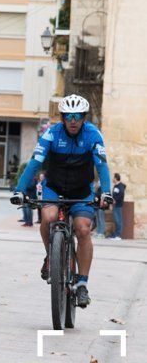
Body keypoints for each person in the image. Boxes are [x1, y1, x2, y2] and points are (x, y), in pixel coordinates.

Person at [11, 95, 112, 308]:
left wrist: (106, 191)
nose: (73, 120)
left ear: (84, 118)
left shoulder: (93, 134)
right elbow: (34, 163)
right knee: (48, 217)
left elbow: (102, 165)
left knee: (83, 229)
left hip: (82, 190)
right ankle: (51, 256)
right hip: (53, 188)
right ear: (63, 118)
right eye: (68, 116)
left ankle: (82, 283)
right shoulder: (51, 134)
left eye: (77, 116)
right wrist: (19, 190)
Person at [110, 173, 127, 239]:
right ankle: (115, 234)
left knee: (118, 220)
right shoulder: (115, 186)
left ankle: (118, 235)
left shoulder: (120, 186)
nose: (112, 179)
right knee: (116, 220)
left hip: (118, 205)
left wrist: (115, 200)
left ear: (116, 178)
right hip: (115, 205)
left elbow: (121, 194)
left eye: (113, 177)